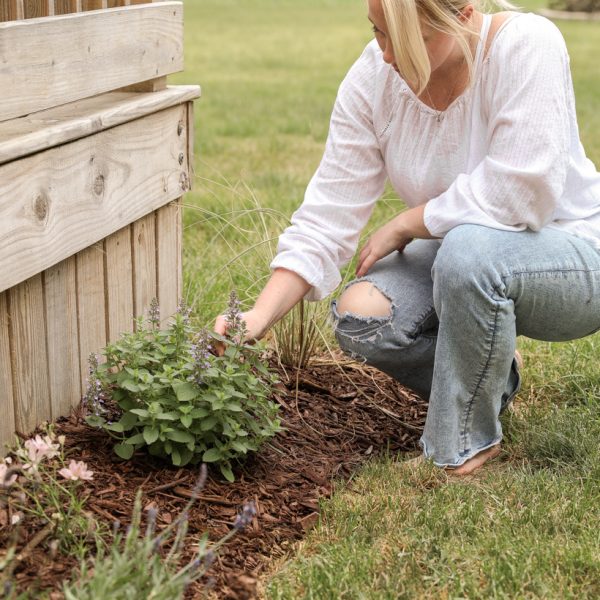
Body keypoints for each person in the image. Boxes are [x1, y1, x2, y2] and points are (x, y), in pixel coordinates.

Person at [215, 0, 600, 475]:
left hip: (574, 257)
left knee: (468, 251)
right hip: (462, 257)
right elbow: (327, 215)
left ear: (461, 16)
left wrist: (409, 221)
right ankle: (494, 375)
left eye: (406, 38)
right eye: (378, 32)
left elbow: (522, 193)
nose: (389, 55)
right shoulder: (375, 76)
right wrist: (258, 316)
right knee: (364, 315)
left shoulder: (526, 45)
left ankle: (460, 447)